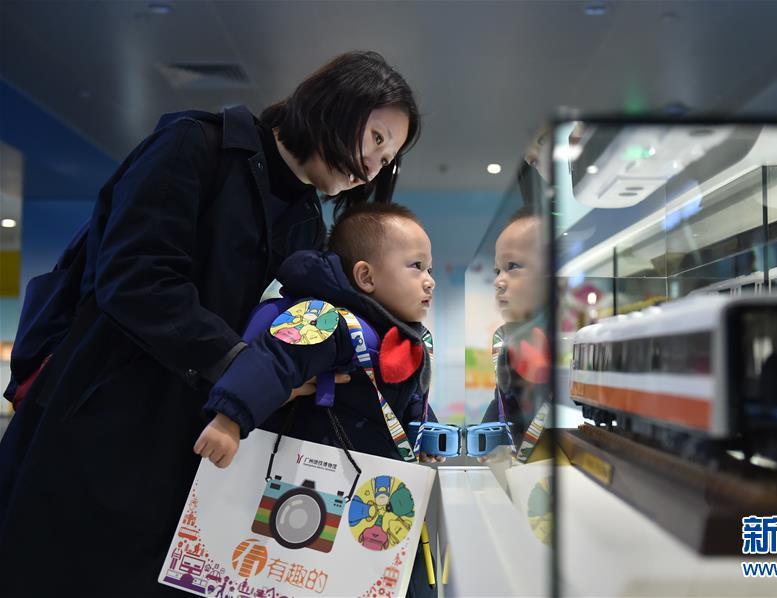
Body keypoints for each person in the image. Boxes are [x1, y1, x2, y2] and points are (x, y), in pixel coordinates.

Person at [0, 50, 420, 597]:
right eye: (377, 138)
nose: (375, 165)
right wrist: (244, 367)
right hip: (104, 419)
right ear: (332, 106)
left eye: (390, 155)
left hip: (195, 440)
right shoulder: (195, 145)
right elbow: (136, 279)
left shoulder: (304, 219)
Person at [193, 202, 443, 469]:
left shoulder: (397, 336)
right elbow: (272, 359)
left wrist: (425, 429)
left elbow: (407, 398)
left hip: (363, 477)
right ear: (366, 276)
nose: (429, 280)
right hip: (307, 471)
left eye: (430, 269)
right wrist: (229, 420)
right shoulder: (325, 317)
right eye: (416, 266)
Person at [480, 207, 551, 454]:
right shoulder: (511, 339)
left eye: (513, 266)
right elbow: (504, 400)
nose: (498, 281)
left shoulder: (564, 338)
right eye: (497, 270)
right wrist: (487, 440)